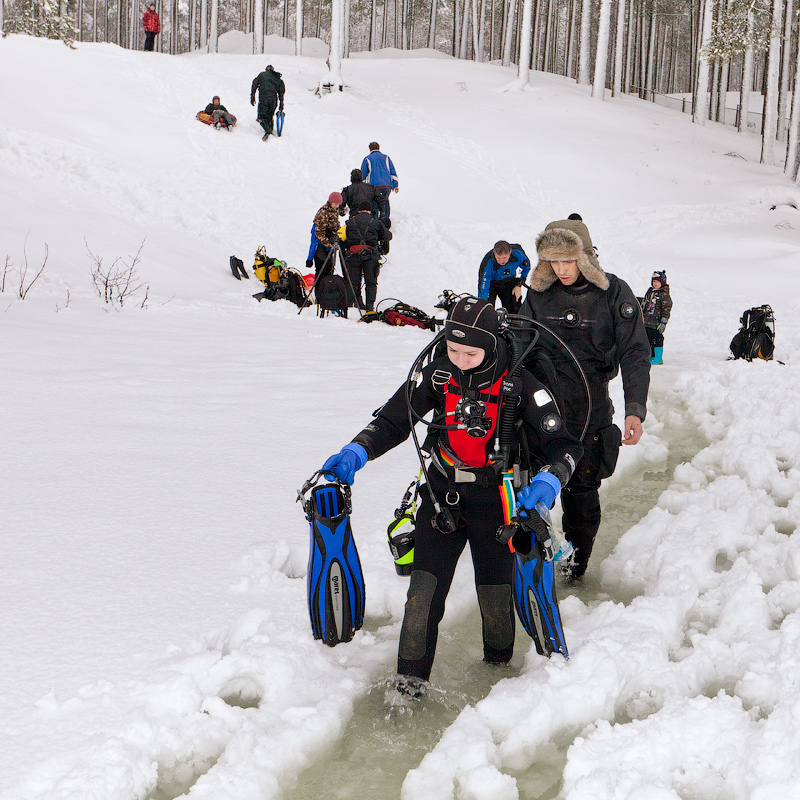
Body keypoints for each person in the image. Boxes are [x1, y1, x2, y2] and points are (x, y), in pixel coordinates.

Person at [321, 297, 583, 692]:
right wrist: (359, 449)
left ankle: (496, 678)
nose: (459, 358)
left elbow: (565, 445)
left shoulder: (521, 384)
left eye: (470, 352)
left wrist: (549, 481)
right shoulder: (438, 373)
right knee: (421, 596)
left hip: (499, 504)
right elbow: (394, 419)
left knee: (495, 596)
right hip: (443, 496)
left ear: (492, 344)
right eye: (452, 348)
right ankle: (408, 688)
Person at [519, 216, 650, 582]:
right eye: (553, 261)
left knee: (581, 496)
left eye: (568, 260)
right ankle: (531, 558)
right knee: (531, 486)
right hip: (541, 408)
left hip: (589, 408)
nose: (561, 270)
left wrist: (635, 409)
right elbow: (517, 346)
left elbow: (636, 353)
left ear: (585, 257)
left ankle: (575, 567)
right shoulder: (538, 294)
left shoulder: (612, 293)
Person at [343, 201, 391, 312]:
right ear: (369, 211)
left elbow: (344, 238)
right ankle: (370, 306)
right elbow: (388, 236)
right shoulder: (376, 222)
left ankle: (350, 305)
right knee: (371, 282)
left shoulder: (350, 222)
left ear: (359, 210)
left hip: (353, 255)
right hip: (371, 256)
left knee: (353, 281)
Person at [477, 241, 531, 313]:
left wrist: (519, 284)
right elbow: (483, 284)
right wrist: (483, 303)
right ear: (494, 253)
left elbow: (526, 268)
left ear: (510, 253)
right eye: (498, 258)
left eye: (504, 258)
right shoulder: (488, 262)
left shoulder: (518, 254)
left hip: (508, 282)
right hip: (492, 284)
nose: (502, 261)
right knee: (487, 309)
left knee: (515, 308)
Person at [305, 193, 344, 278]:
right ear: (330, 202)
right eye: (335, 204)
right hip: (320, 244)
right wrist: (328, 243)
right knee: (321, 268)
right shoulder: (323, 212)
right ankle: (319, 289)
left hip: (329, 243)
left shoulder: (335, 211)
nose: (336, 206)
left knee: (330, 267)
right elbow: (319, 232)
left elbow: (336, 225)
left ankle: (327, 288)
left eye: (338, 204)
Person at [360, 142, 398, 226]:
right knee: (385, 201)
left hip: (373, 186)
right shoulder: (386, 158)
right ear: (379, 148)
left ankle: (375, 223)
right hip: (387, 186)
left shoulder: (367, 159)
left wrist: (362, 187)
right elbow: (392, 172)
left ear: (369, 149)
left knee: (374, 204)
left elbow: (363, 175)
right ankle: (385, 221)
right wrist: (395, 185)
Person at [640, 270, 672, 365]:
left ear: (662, 282)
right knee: (647, 337)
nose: (655, 284)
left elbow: (666, 308)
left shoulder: (663, 294)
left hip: (656, 322)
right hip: (646, 320)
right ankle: (650, 354)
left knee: (656, 338)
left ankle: (658, 357)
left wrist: (663, 321)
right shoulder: (650, 292)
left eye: (657, 282)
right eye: (654, 281)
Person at [250, 65, 285, 141]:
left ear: (266, 70)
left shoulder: (262, 75)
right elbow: (281, 91)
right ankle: (271, 129)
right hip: (273, 100)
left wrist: (252, 96)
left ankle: (267, 131)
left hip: (264, 99)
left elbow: (254, 84)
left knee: (261, 117)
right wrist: (281, 103)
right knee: (270, 115)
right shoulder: (277, 77)